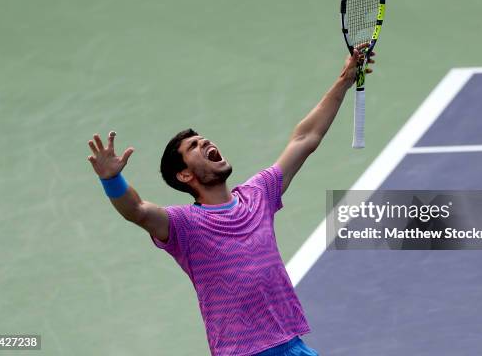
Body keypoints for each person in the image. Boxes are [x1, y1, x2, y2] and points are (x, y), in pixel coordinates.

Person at [87, 44, 374, 356]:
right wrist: (111, 179)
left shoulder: (258, 195)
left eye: (204, 139)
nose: (206, 141)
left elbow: (304, 139)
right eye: (194, 146)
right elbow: (137, 211)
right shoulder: (184, 226)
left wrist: (345, 79)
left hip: (291, 344)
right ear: (185, 175)